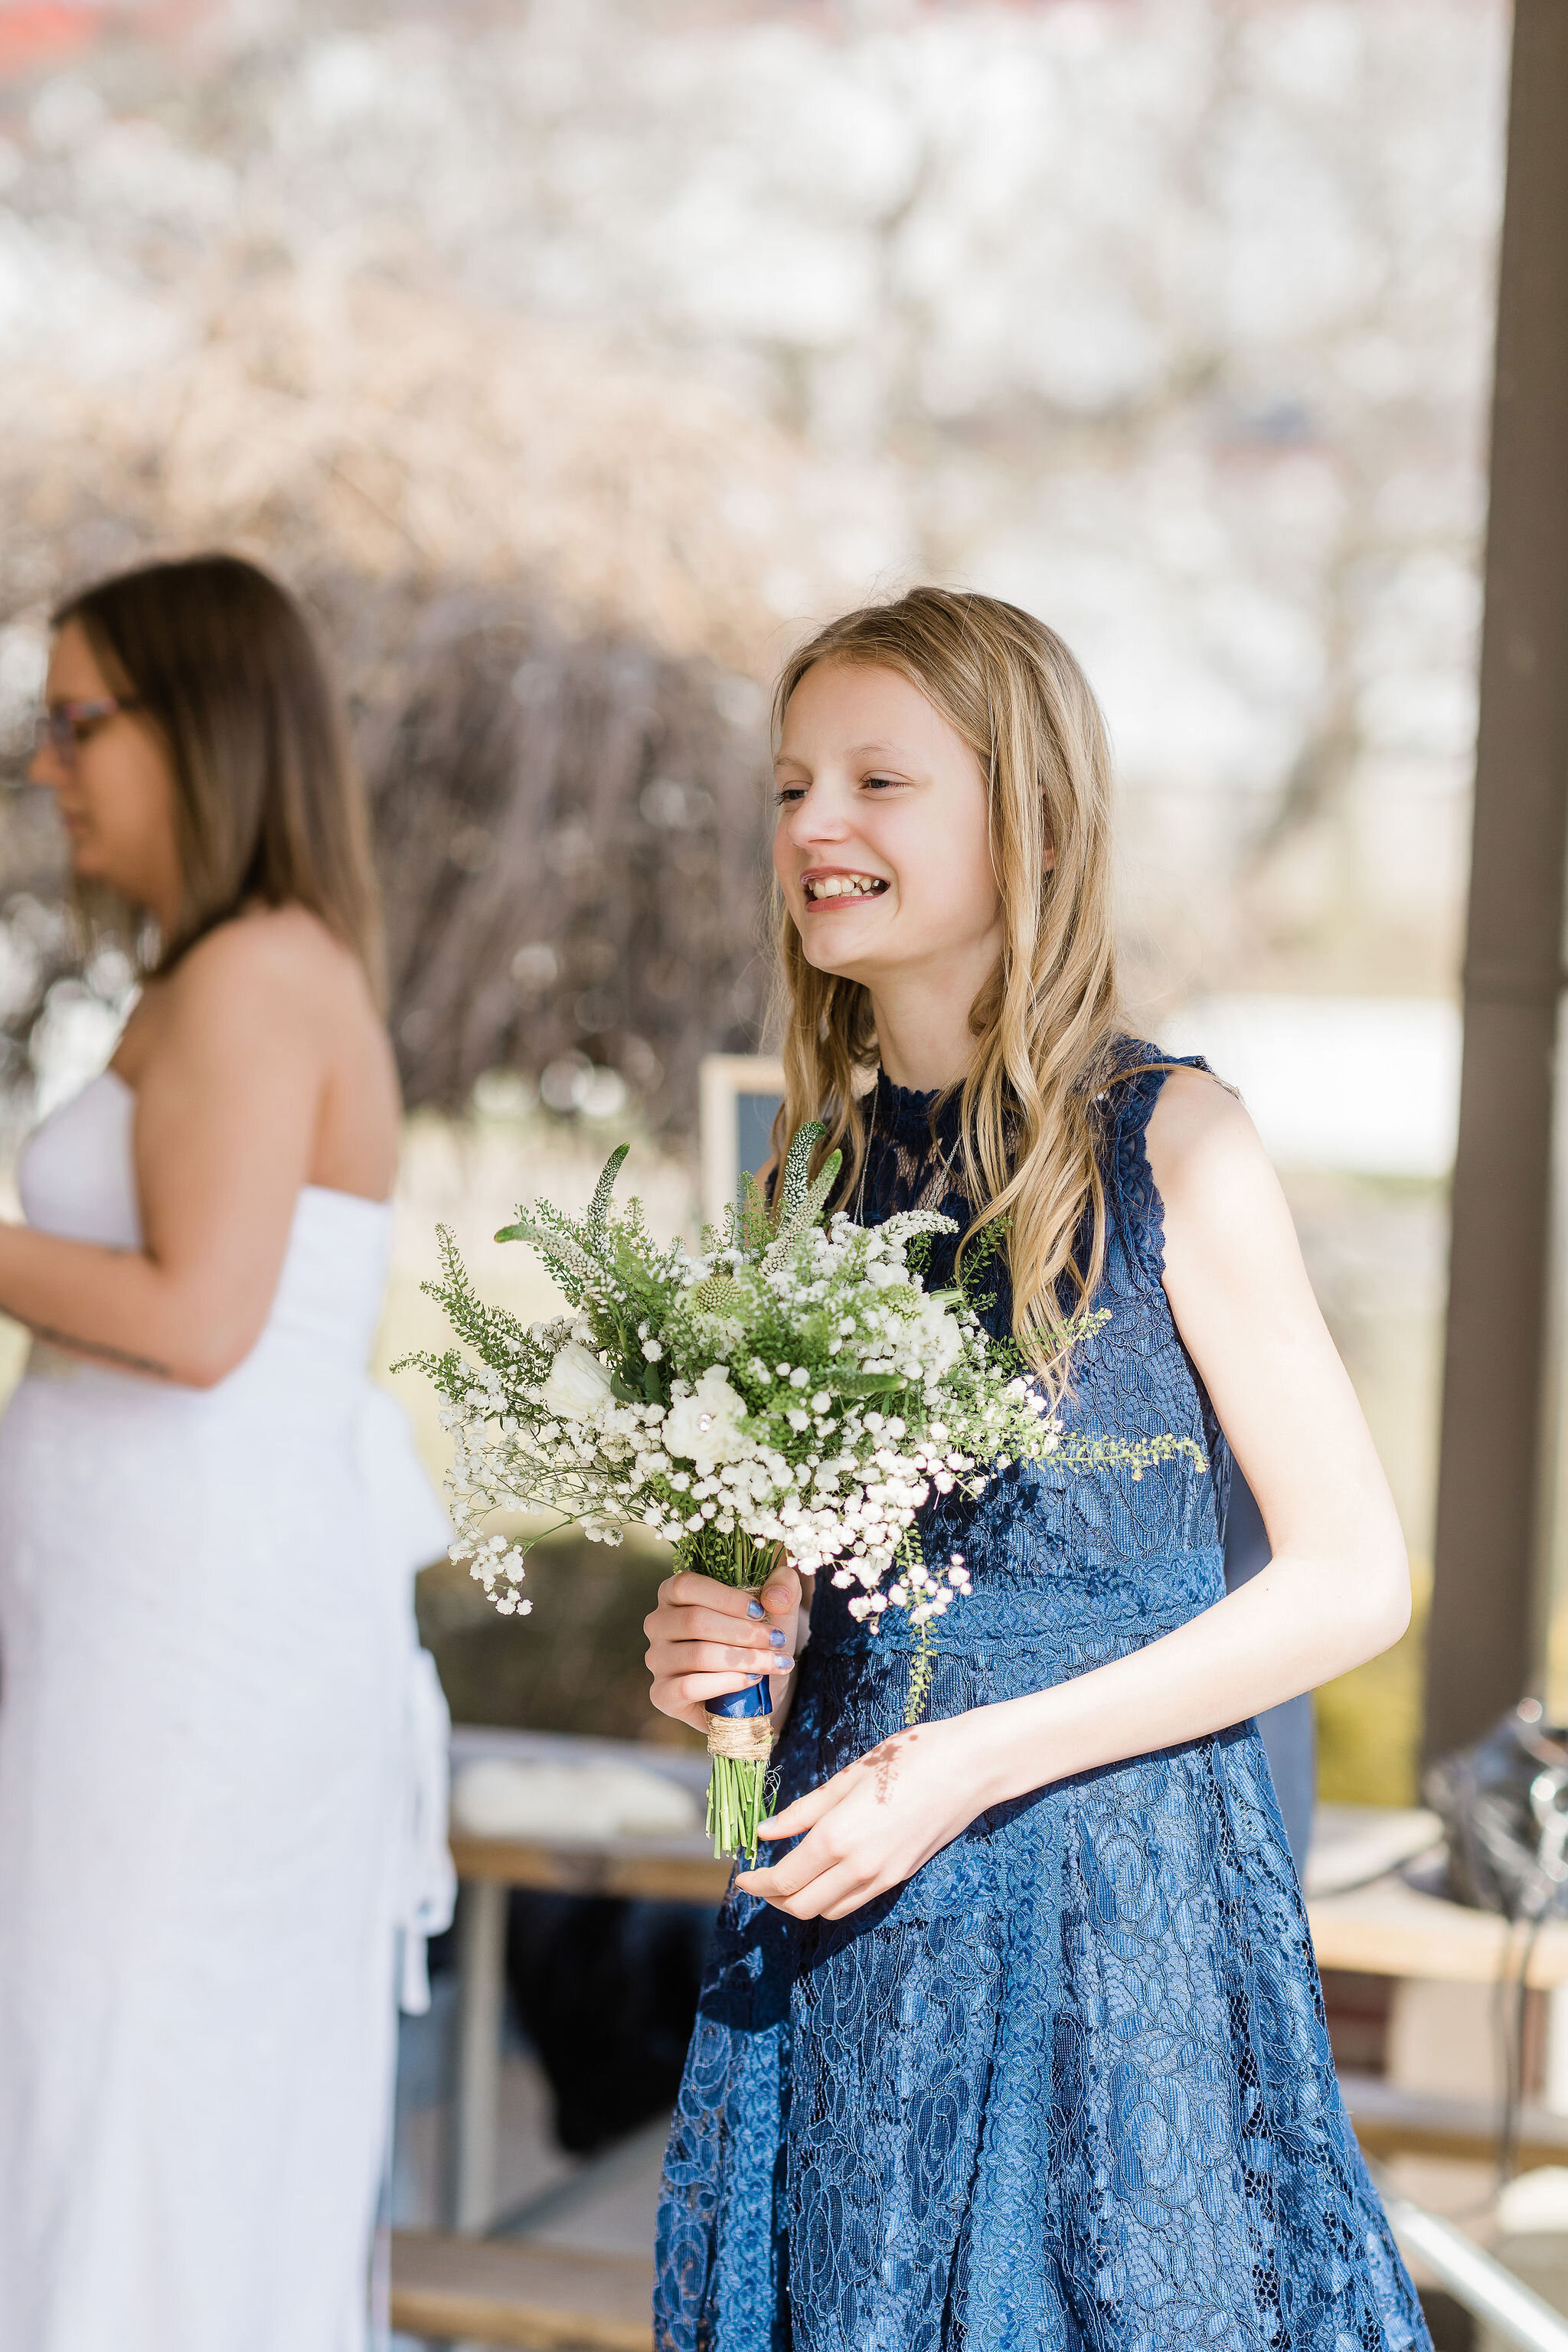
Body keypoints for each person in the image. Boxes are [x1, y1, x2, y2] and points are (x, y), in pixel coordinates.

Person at [645, 588, 1427, 2351]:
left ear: (1036, 821)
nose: (812, 829)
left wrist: (973, 1761)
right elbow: (813, 1598)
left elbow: (1350, 1577)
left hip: (1108, 1912)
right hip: (857, 1933)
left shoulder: (1171, 1142)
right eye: (789, 789)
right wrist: (722, 1671)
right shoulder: (806, 1179)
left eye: (875, 782)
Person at [0, 554, 452, 2352]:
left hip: (198, 1663)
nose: (49, 768)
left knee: (144, 2097)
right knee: (101, 2083)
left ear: (202, 726)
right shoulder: (216, 976)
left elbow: (198, 1318)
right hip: (148, 1637)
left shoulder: (261, 972)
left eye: (77, 723)